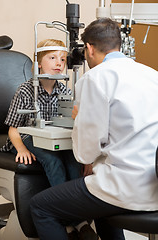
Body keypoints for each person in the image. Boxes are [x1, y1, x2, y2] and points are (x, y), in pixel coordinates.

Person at [30, 18, 158, 240]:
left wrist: (80, 119)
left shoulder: (96, 78)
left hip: (123, 187)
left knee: (41, 207)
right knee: (98, 201)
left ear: (88, 48)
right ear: (118, 44)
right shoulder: (152, 74)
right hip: (153, 184)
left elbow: (85, 153)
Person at [0, 38, 98, 240]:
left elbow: (74, 125)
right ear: (38, 64)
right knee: (52, 161)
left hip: (55, 139)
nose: (59, 62)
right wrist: (22, 150)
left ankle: (78, 219)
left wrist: (87, 158)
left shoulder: (64, 90)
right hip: (26, 136)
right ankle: (67, 218)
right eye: (52, 58)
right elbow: (13, 129)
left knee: (72, 161)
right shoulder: (26, 90)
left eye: (62, 59)